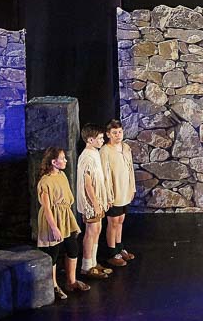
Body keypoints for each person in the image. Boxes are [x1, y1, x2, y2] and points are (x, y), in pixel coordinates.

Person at [37, 147, 89, 299]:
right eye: (62, 158)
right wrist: (54, 228)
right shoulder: (45, 181)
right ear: (54, 162)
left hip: (65, 215)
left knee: (73, 248)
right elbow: (47, 208)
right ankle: (54, 286)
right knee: (53, 253)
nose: (65, 160)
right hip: (52, 218)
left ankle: (71, 281)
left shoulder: (62, 175)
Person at [77, 124, 112, 279]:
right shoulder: (86, 157)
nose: (102, 140)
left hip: (98, 199)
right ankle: (86, 266)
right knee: (91, 231)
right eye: (100, 138)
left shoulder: (95, 153)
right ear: (90, 140)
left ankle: (93, 262)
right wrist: (96, 204)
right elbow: (88, 184)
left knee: (97, 229)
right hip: (91, 202)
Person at [100, 119, 137, 267]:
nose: (118, 135)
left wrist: (132, 187)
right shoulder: (105, 151)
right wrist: (108, 195)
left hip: (125, 190)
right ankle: (111, 252)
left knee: (121, 220)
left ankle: (119, 247)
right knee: (113, 221)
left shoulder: (126, 147)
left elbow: (130, 168)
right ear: (108, 134)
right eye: (114, 133)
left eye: (120, 132)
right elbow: (105, 174)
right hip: (114, 192)